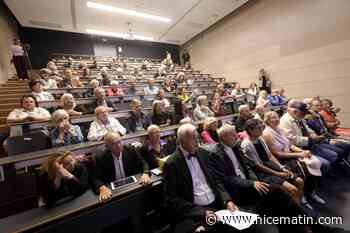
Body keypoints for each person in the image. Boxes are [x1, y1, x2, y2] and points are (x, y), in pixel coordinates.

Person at [208, 124, 311, 233]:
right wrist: (252, 183)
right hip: (239, 190)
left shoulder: (235, 146)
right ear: (224, 137)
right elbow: (228, 179)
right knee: (279, 195)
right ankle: (299, 226)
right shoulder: (216, 153)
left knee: (282, 195)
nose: (237, 136)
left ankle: (300, 224)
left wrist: (275, 172)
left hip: (251, 182)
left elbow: (250, 164)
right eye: (233, 134)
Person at [163, 123, 251, 233]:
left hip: (217, 204)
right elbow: (172, 199)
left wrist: (227, 200)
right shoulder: (172, 164)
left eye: (198, 138)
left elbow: (217, 181)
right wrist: (202, 213)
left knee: (247, 224)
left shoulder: (204, 154)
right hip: (196, 211)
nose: (198, 142)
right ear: (183, 141)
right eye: (194, 138)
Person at [262, 111, 325, 207]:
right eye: (273, 118)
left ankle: (311, 192)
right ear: (267, 120)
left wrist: (302, 151)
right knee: (304, 170)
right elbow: (277, 154)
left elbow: (290, 145)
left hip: (290, 155)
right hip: (281, 160)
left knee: (313, 162)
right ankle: (302, 196)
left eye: (277, 117)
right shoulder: (266, 133)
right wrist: (298, 154)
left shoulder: (280, 129)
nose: (276, 119)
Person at [241, 119, 304, 205]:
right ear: (250, 130)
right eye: (258, 128)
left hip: (270, 166)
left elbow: (269, 155)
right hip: (262, 172)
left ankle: (299, 202)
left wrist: (281, 167)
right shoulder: (247, 145)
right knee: (293, 189)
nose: (261, 129)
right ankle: (296, 211)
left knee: (299, 181)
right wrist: (278, 174)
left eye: (261, 127)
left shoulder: (260, 139)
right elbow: (258, 165)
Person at [279, 101, 345, 172]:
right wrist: (310, 139)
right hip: (299, 149)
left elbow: (307, 128)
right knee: (326, 163)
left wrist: (313, 135)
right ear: (295, 111)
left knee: (334, 155)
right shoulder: (284, 121)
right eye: (303, 113)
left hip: (311, 144)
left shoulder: (298, 116)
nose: (304, 115)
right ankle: (323, 178)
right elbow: (291, 140)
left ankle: (330, 173)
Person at [91, 132, 151, 202]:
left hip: (131, 187)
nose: (118, 145)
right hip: (114, 192)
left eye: (119, 142)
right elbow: (94, 178)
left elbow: (143, 163)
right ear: (107, 146)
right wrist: (101, 187)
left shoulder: (130, 149)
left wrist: (145, 173)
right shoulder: (100, 157)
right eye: (113, 144)